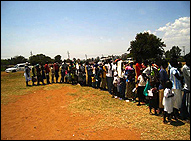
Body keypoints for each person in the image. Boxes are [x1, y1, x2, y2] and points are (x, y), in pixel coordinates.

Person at [180, 53, 190, 120]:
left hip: (187, 87)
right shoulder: (186, 68)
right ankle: (186, 115)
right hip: (188, 88)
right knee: (187, 104)